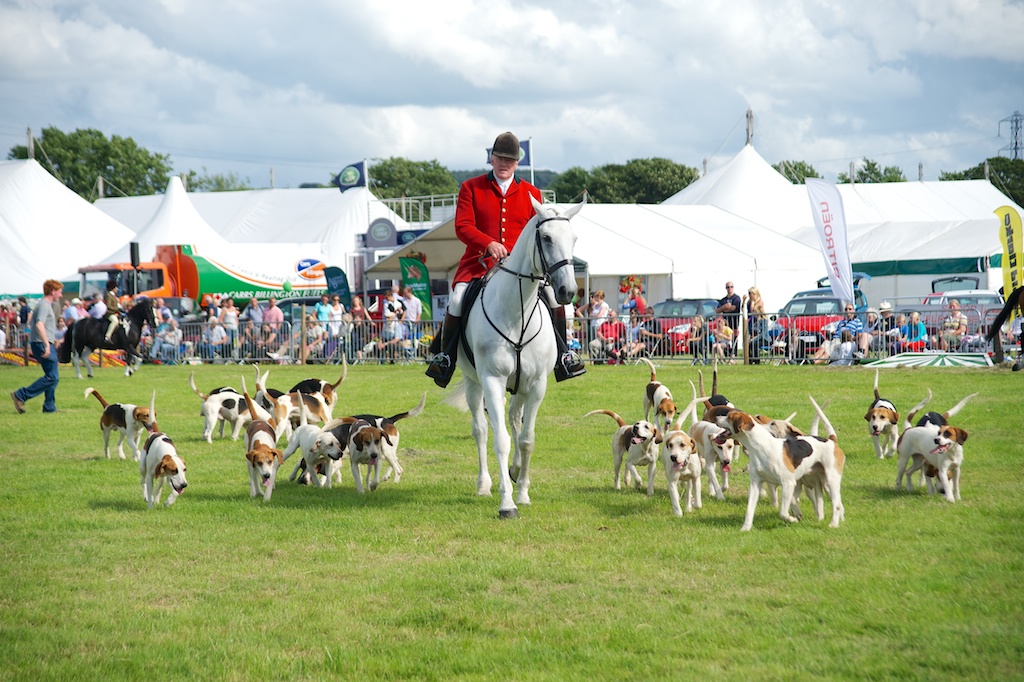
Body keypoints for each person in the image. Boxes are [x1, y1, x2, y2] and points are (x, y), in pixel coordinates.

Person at [425, 131, 585, 387]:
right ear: (491, 158)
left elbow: (538, 232)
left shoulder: (532, 192)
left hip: (521, 266)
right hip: (479, 263)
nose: (504, 164)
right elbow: (463, 226)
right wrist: (488, 243)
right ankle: (445, 359)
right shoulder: (471, 188)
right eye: (499, 158)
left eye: (509, 160)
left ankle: (564, 356)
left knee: (555, 300)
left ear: (517, 163)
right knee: (456, 299)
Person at [12, 279, 63, 414]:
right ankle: (21, 395)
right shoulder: (45, 305)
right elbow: (39, 325)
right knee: (52, 377)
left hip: (43, 342)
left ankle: (49, 407)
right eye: (59, 292)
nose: (61, 295)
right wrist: (47, 344)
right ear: (52, 291)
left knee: (53, 376)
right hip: (42, 343)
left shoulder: (44, 304)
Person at [745, 287, 766, 363]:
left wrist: (753, 302)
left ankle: (756, 360)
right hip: (750, 323)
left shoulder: (759, 301)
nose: (750, 295)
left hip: (757, 323)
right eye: (749, 293)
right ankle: (749, 359)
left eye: (752, 293)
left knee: (753, 342)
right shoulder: (748, 302)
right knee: (748, 342)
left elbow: (752, 311)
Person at [103, 279, 120, 343]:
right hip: (109, 313)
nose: (117, 289)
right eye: (116, 287)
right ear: (113, 288)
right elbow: (108, 306)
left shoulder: (113, 296)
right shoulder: (108, 295)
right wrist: (117, 309)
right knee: (115, 321)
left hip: (115, 313)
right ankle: (107, 336)